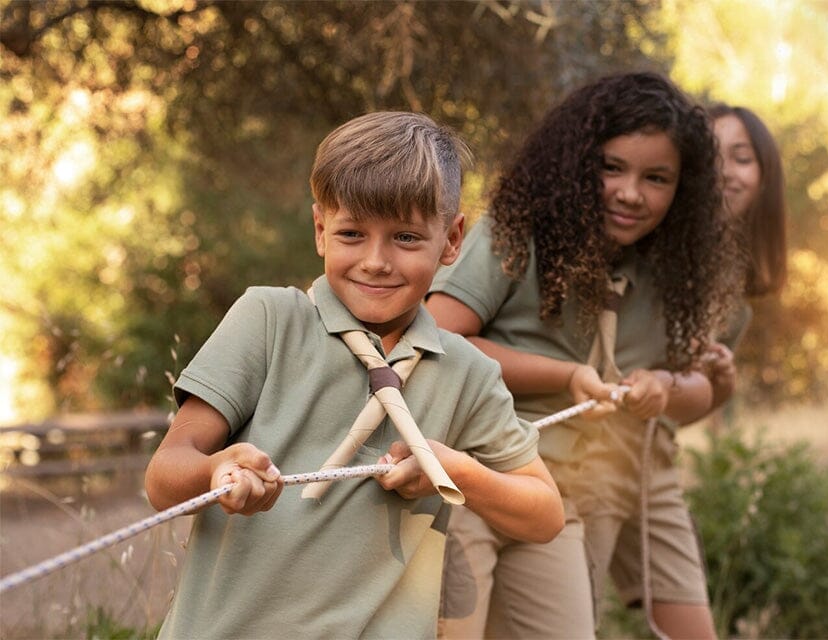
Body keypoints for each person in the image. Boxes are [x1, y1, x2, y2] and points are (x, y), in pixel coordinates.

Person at [144, 111, 564, 639]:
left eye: (406, 237)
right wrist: (216, 471)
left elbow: (545, 513)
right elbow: (163, 477)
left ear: (452, 239)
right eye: (351, 233)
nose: (376, 261)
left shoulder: (470, 373)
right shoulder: (268, 320)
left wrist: (452, 469)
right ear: (321, 230)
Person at [426, 73, 740, 639]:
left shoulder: (674, 271)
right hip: (476, 474)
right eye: (611, 167)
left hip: (563, 500)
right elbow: (440, 338)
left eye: (657, 178)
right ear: (575, 164)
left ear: (683, 188)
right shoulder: (517, 232)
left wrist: (665, 388)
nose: (630, 192)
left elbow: (691, 395)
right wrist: (566, 375)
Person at [607, 103, 788, 622]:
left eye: (742, 157)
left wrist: (718, 389)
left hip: (648, 463)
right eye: (712, 154)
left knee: (691, 626)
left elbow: (680, 408)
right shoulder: (634, 246)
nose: (726, 170)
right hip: (580, 454)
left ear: (764, 177)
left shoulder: (734, 304)